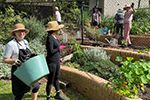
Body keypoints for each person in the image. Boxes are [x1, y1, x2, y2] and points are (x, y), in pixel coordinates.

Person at [3, 23, 40, 100]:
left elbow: (27, 54)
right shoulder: (11, 45)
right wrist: (14, 61)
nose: (21, 33)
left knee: (36, 86)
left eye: (23, 31)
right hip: (18, 71)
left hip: (27, 70)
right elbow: (5, 59)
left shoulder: (25, 42)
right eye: (19, 31)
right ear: (15, 33)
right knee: (19, 94)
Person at [46, 21, 66, 100]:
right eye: (58, 28)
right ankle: (48, 97)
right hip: (51, 62)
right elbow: (50, 51)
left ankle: (58, 94)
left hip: (56, 60)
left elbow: (55, 52)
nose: (59, 29)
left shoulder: (55, 37)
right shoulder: (49, 38)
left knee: (57, 78)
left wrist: (59, 58)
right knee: (50, 80)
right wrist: (59, 48)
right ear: (54, 30)